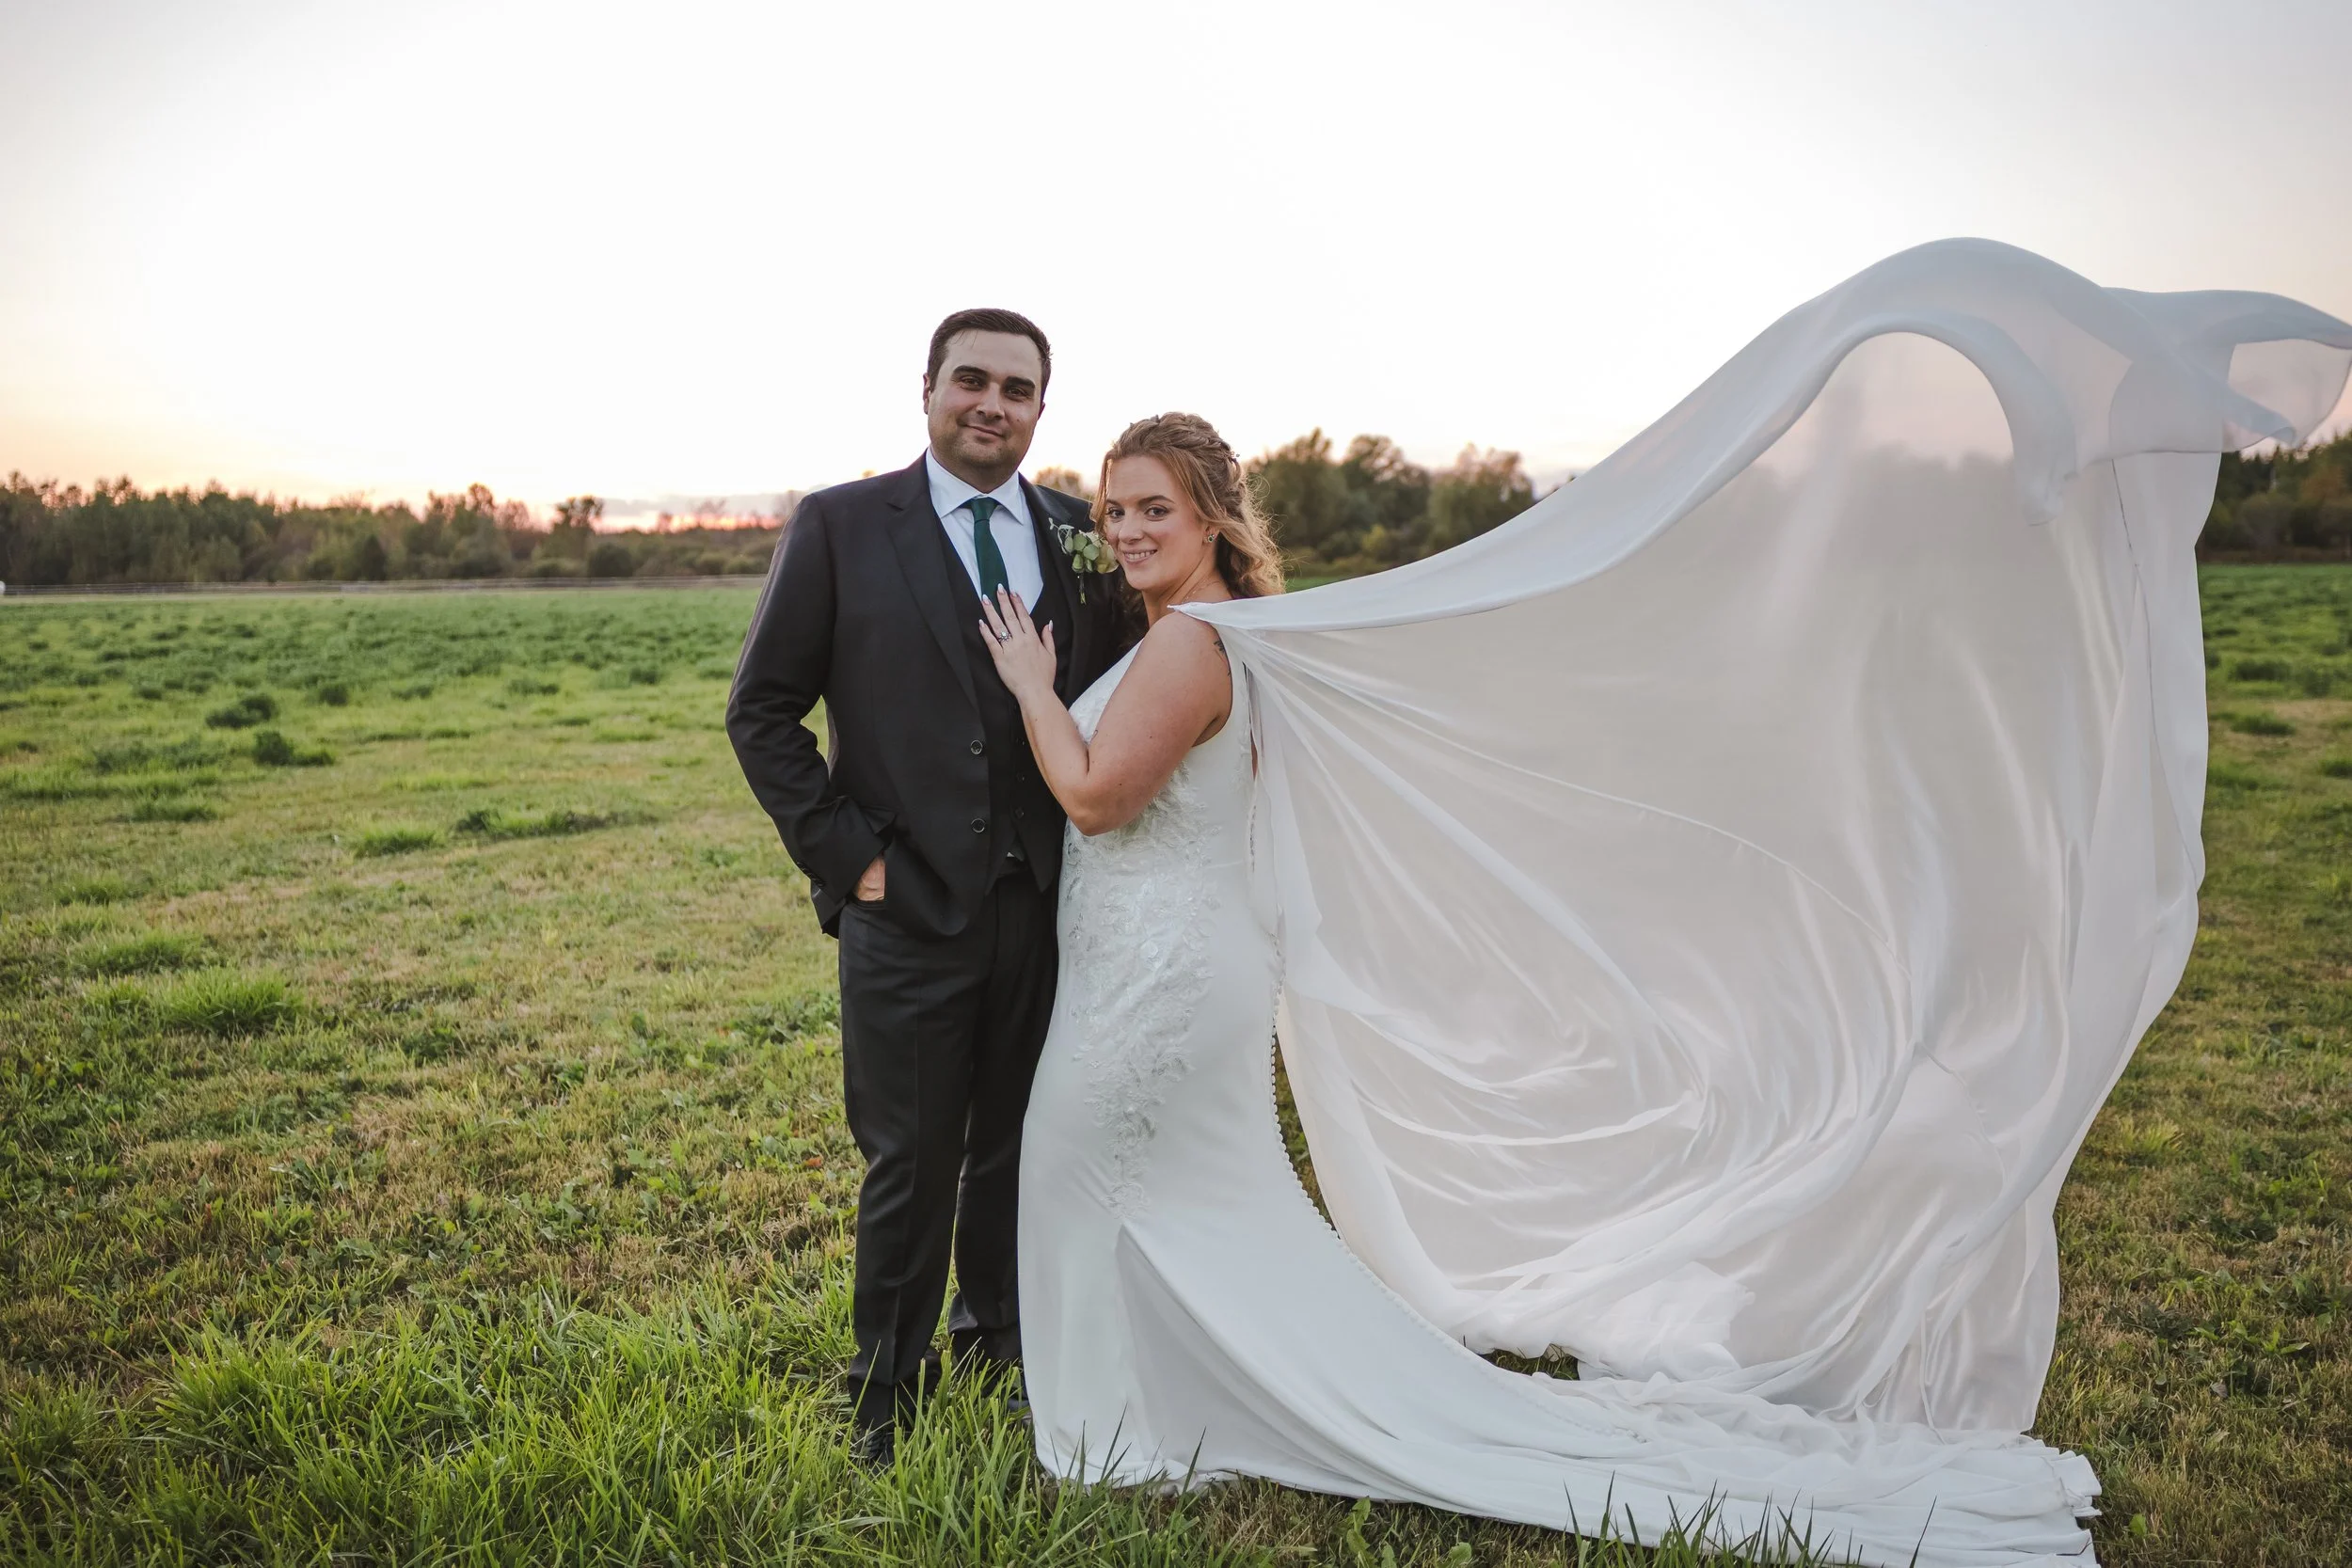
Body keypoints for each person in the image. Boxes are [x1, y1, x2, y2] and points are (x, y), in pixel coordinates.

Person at [976, 241, 2352, 1566]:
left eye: (1153, 508)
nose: (1127, 529)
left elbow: (1095, 798)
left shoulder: (1194, 644)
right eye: (1113, 510)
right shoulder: (1222, 636)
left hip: (1157, 979)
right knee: (1183, 1193)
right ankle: (1173, 1394)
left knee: (1091, 1167)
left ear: (1212, 519)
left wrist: (1035, 688)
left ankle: (1133, 1416)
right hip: (1171, 963)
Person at [726, 308, 1129, 1465]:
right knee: (908, 1159)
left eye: (1017, 388)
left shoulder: (1080, 532)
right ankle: (882, 1394)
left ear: (1041, 408)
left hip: (1047, 903)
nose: (992, 403)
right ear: (928, 388)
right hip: (902, 906)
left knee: (1014, 1144)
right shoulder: (843, 524)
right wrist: (852, 859)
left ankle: (998, 1348)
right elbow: (761, 710)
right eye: (971, 379)